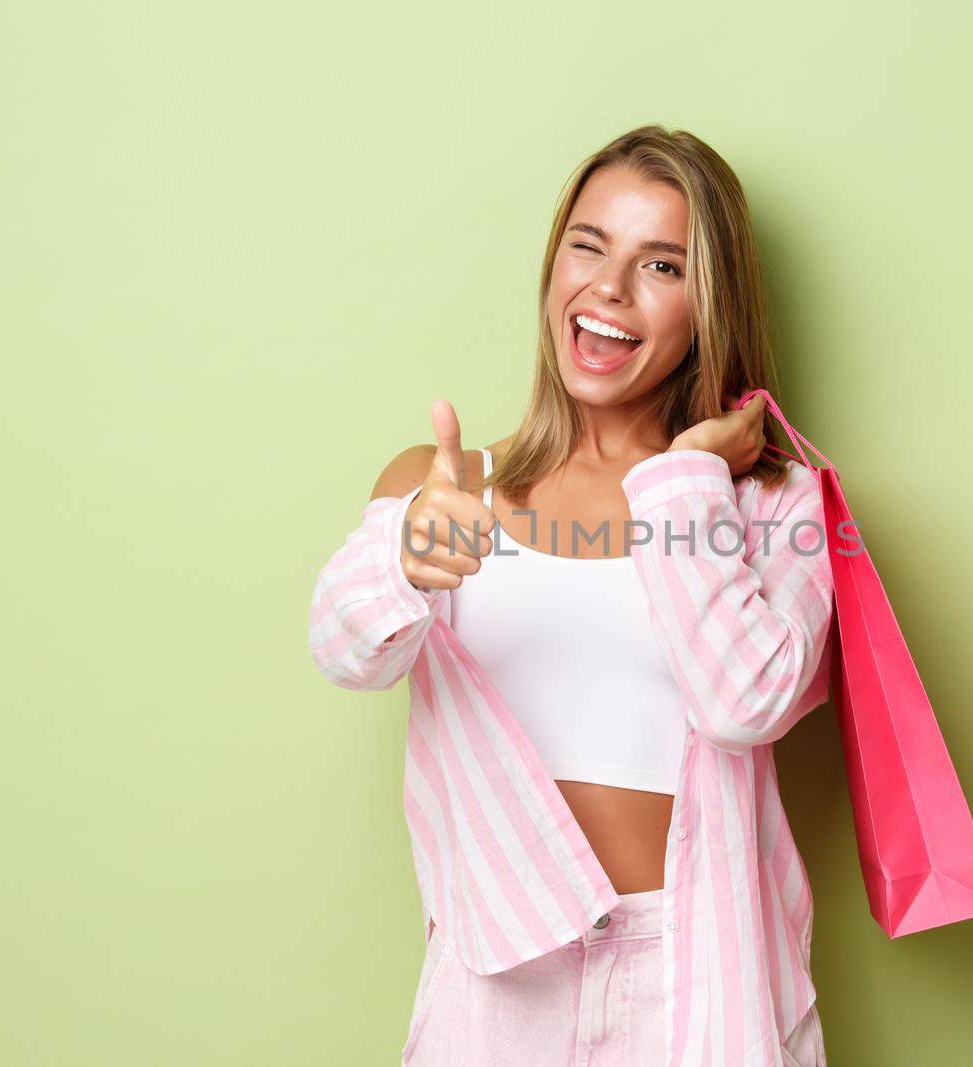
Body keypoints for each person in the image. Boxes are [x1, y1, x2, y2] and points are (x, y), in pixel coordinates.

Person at [309, 124, 835, 1066]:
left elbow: (745, 701)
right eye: (588, 245)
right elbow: (344, 651)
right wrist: (407, 561)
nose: (609, 288)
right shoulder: (446, 484)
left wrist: (685, 478)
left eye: (662, 265)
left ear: (708, 305)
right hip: (498, 977)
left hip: (693, 969)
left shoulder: (772, 504)